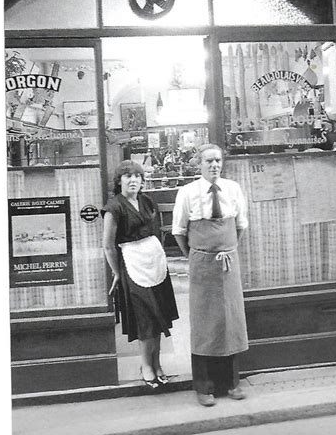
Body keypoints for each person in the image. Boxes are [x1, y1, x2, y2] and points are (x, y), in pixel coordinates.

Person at [172, 143, 249, 407]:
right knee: (205, 324)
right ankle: (204, 386)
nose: (214, 165)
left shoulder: (234, 189)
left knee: (230, 321)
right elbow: (179, 231)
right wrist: (198, 254)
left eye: (217, 160)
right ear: (199, 164)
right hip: (202, 264)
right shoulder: (187, 192)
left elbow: (240, 226)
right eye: (208, 161)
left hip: (228, 262)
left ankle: (231, 383)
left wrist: (226, 248)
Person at [102, 160, 178, 389]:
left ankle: (157, 364)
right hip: (133, 267)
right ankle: (146, 366)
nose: (133, 180)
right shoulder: (114, 207)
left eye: (137, 176)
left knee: (159, 317)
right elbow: (108, 245)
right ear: (119, 181)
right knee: (146, 318)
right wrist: (116, 273)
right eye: (128, 176)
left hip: (154, 264)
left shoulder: (146, 201)